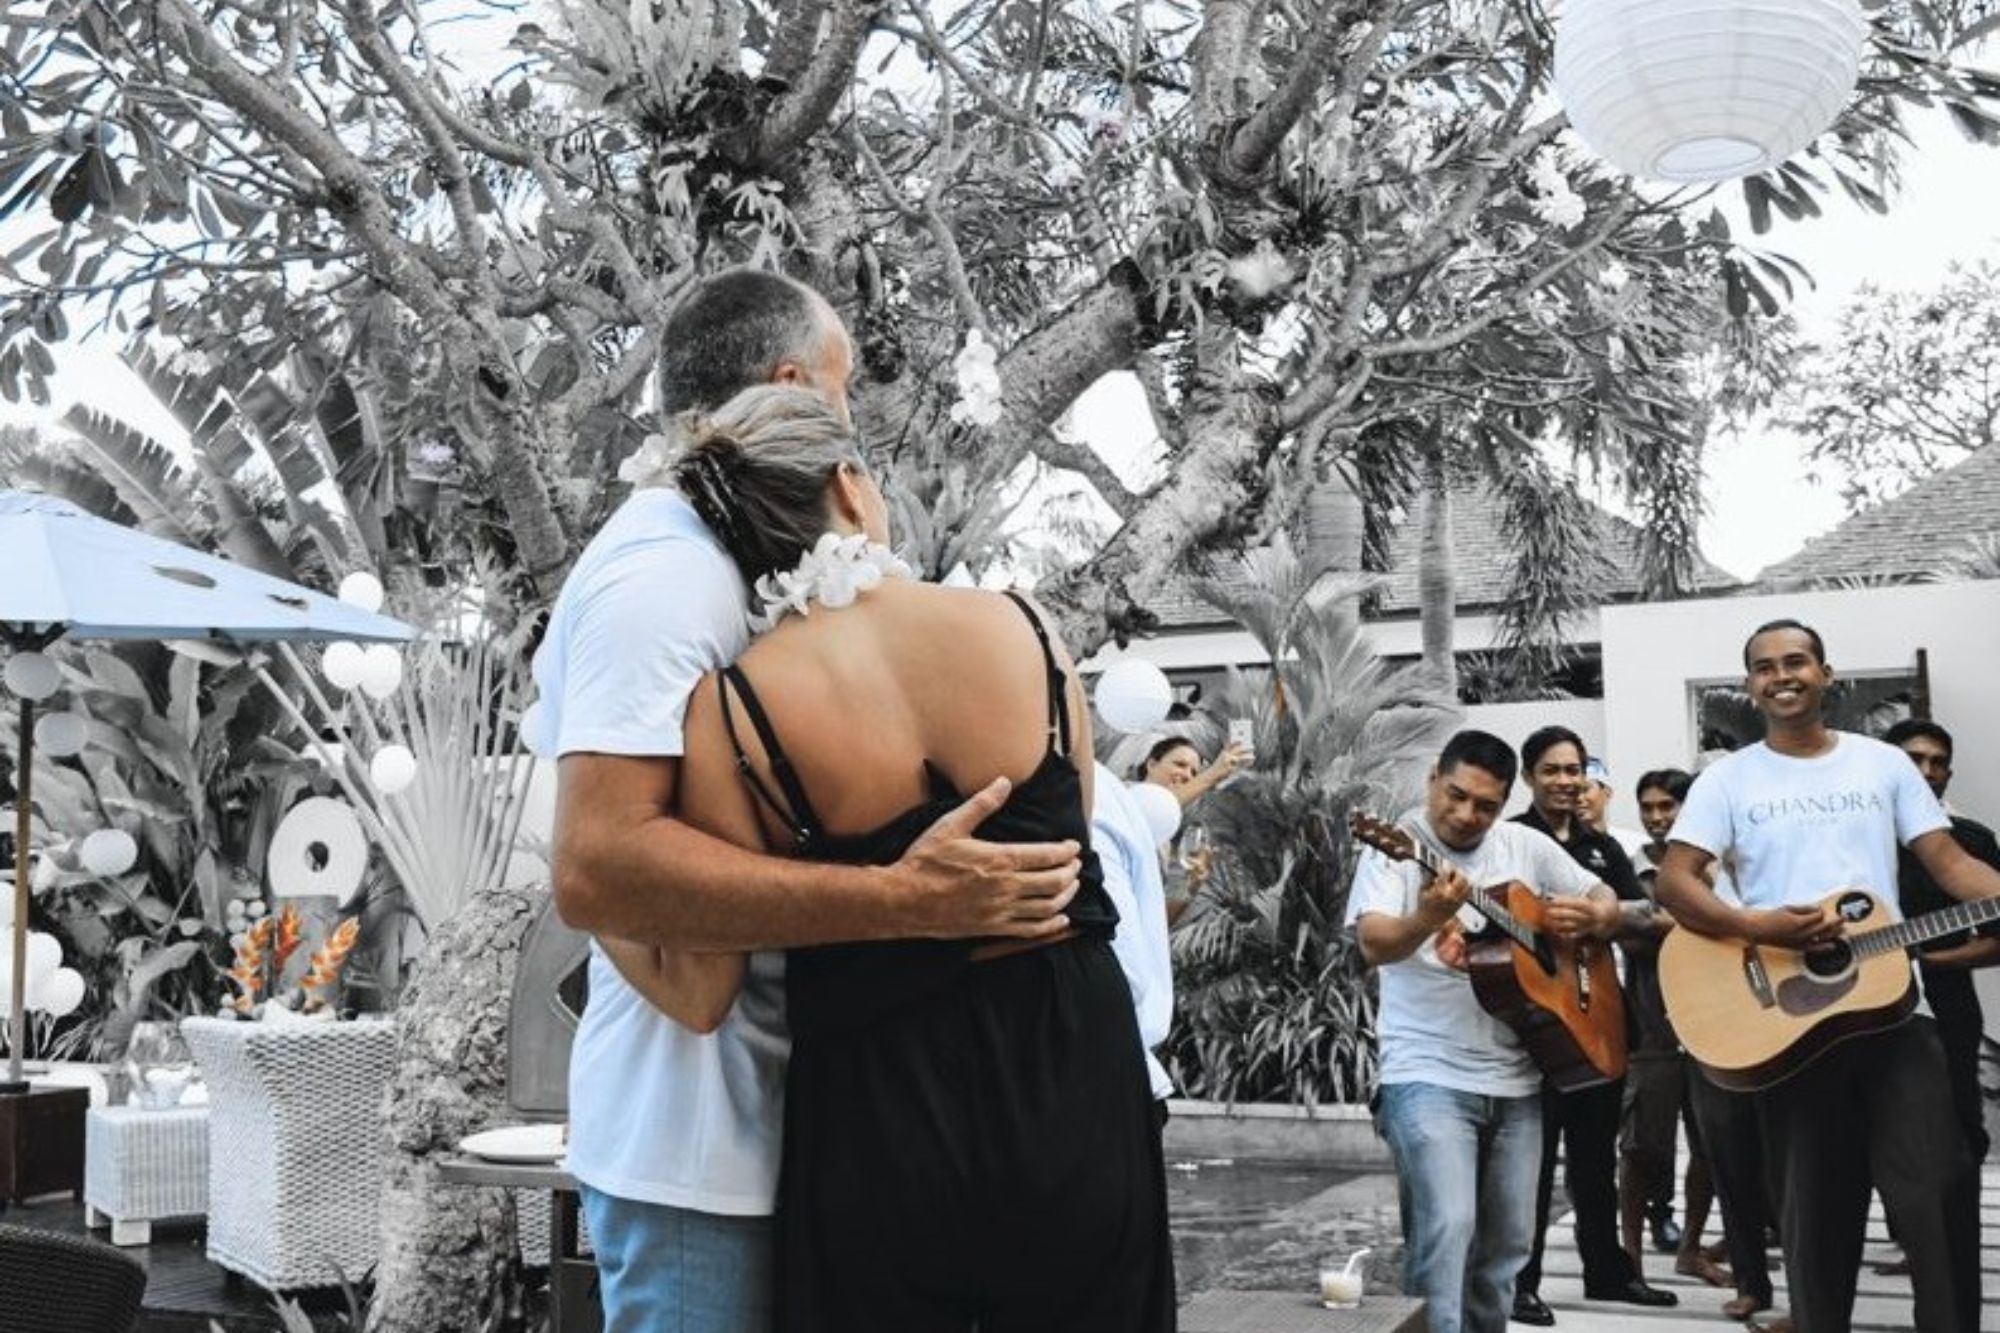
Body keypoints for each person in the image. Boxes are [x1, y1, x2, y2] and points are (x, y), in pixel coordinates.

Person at [537, 269, 1083, 1331]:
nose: (854, 430)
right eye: (846, 392)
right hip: (698, 1151)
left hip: (799, 1134)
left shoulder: (730, 561)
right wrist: (899, 899)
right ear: (791, 384)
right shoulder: (666, 574)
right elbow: (593, 864)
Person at [605, 386, 1173, 1331]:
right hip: (1068, 1053)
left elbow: (702, 986)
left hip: (878, 1098)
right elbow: (1078, 855)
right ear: (852, 487)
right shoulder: (1022, 625)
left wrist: (593, 895)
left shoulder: (734, 710)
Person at [1656, 619, 2000, 1333]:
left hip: (1897, 1013)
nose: (1781, 675)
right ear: (1751, 684)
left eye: (1796, 661)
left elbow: (1950, 863)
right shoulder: (1727, 779)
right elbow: (1676, 882)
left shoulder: (1883, 764)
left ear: (1826, 672)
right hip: (1787, 1023)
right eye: (1764, 666)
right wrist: (1758, 926)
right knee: (1814, 1216)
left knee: (1940, 1187)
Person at [1346, 729, 1628, 1333]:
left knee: (1507, 1252)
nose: (1466, 814)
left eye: (1485, 805)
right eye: (1455, 796)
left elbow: (1602, 895)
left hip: (1520, 1078)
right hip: (1426, 1072)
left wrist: (1600, 914)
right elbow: (1373, 944)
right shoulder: (1393, 846)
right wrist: (1428, 916)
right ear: (1432, 782)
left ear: (1505, 802)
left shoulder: (1524, 846)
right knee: (1446, 1229)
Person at [1508, 728, 1676, 1324]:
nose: (1565, 781)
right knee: (1530, 1161)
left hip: (1601, 1016)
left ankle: (1607, 1272)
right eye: (1551, 770)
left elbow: (1651, 916)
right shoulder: (1509, 841)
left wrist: (1605, 917)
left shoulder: (1603, 848)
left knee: (1595, 1157)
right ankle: (1519, 1282)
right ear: (1529, 776)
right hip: (1534, 1028)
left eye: (1574, 769)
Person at [1631, 769, 1780, 1315]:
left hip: (1771, 1021)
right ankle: (1751, 1284)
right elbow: (1651, 922)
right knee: (1724, 1151)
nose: (1660, 817)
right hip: (1691, 1024)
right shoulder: (1667, 873)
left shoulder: (1750, 861)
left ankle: (1798, 1276)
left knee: (1773, 1154)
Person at [1883, 718, 2000, 1164]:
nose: (1929, 771)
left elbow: (1997, 942)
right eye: (1915, 760)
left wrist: (1932, 962)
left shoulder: (1972, 841)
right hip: (1850, 1005)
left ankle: (1955, 1230)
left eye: (1939, 763)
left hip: (1945, 1004)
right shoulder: (1850, 835)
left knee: (1957, 1125)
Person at [1093, 761, 1179, 1125]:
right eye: (1181, 765)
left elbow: (1123, 957)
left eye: (1194, 769)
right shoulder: (1110, 793)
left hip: (1105, 1066)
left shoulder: (1090, 798)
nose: (1187, 774)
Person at [1138, 735, 1250, 809]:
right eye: (1180, 764)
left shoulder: (1171, 823)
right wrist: (1214, 773)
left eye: (1193, 773)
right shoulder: (1127, 795)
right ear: (1152, 765)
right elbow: (1157, 807)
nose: (1187, 775)